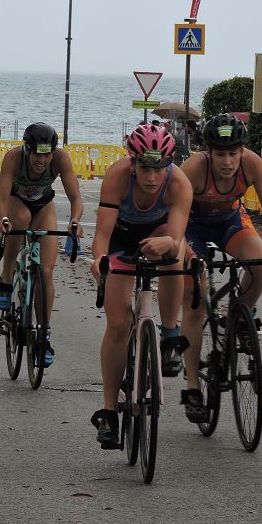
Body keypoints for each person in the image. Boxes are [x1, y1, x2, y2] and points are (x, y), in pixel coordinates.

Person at [177, 113, 262, 422]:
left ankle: (239, 314)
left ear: (242, 151)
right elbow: (175, 219)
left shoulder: (252, 164)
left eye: (232, 153)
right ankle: (191, 387)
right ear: (208, 153)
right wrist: (187, 255)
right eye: (219, 154)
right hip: (192, 227)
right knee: (195, 296)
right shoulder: (193, 171)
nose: (227, 161)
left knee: (258, 264)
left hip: (229, 221)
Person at [89, 124, 193, 449]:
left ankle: (170, 333)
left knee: (178, 258)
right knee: (119, 324)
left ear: (169, 165)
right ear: (132, 162)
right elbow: (102, 238)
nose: (151, 177)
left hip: (161, 231)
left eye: (159, 168)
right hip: (122, 236)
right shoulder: (117, 177)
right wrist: (100, 261)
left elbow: (176, 240)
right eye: (145, 168)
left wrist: (171, 244)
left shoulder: (179, 184)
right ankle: (109, 411)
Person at [0, 122, 84, 368]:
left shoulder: (60, 159)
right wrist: (1, 220)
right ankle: (7, 274)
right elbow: (0, 198)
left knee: (46, 272)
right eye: (37, 154)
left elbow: (75, 196)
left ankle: (43, 335)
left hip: (44, 205)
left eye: (47, 154)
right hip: (16, 201)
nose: (42, 160)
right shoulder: (14, 158)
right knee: (20, 220)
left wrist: (75, 221)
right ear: (28, 149)